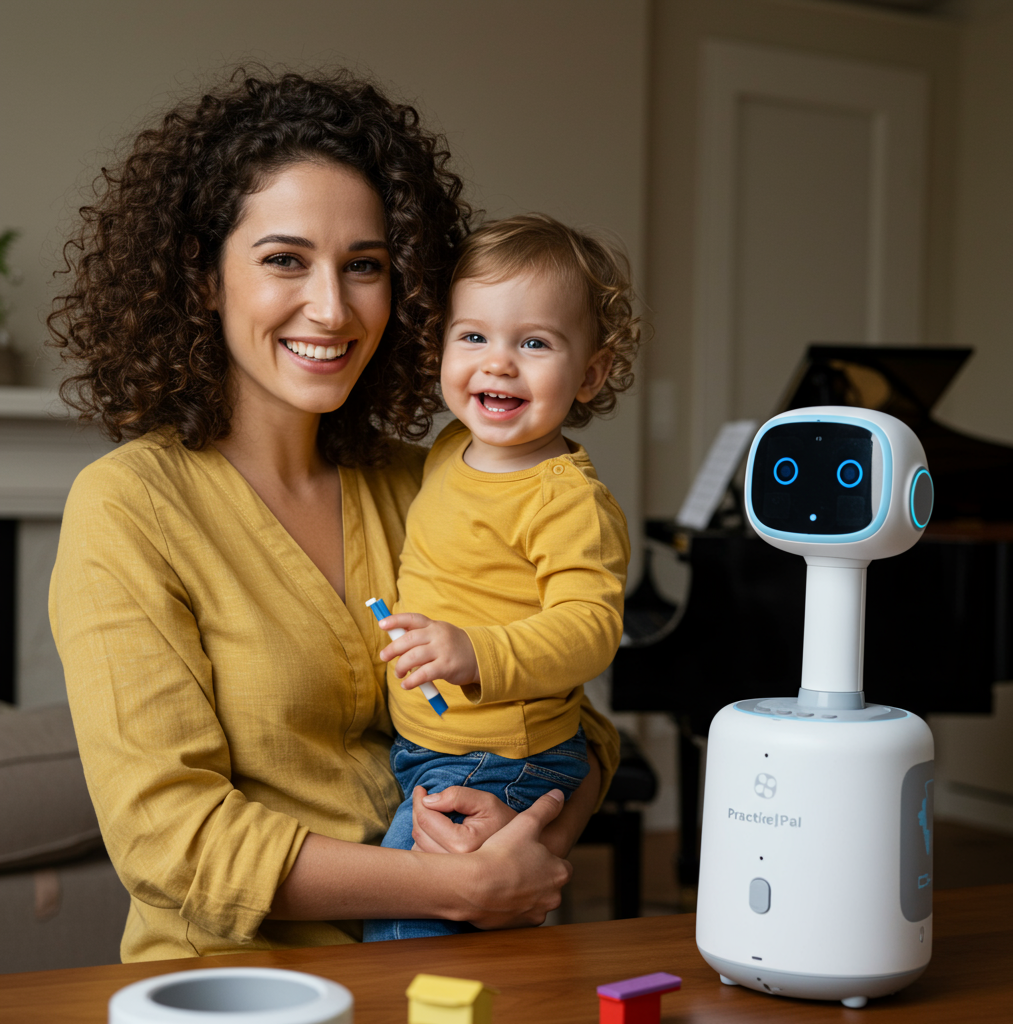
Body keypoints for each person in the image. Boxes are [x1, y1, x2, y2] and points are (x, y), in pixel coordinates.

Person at [46, 68, 619, 963]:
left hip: (450, 970)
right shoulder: (129, 508)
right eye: (284, 260)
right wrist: (456, 885)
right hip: (238, 982)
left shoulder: (430, 480)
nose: (332, 307)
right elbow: (170, 838)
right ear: (202, 278)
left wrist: (526, 833)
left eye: (365, 267)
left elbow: (581, 727)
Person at [363, 215, 640, 941]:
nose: (498, 363)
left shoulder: (566, 498)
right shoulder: (451, 446)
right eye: (474, 336)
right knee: (467, 937)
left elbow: (590, 630)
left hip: (500, 758)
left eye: (535, 342)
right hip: (431, 746)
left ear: (592, 373)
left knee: (406, 931)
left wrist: (474, 651)